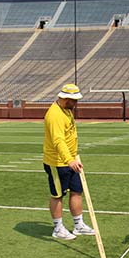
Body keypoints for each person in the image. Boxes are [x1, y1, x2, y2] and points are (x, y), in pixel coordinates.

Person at [42, 84, 95, 240]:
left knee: (77, 191)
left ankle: (78, 225)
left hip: (71, 160)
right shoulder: (55, 115)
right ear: (65, 99)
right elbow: (58, 140)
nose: (76, 104)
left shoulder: (67, 110)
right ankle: (58, 228)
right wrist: (68, 159)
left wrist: (73, 156)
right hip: (57, 162)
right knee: (58, 195)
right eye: (74, 100)